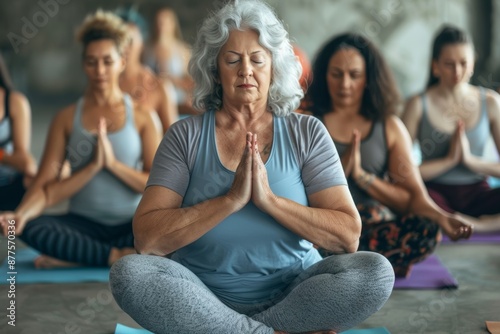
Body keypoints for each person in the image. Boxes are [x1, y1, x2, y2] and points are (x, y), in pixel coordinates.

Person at [109, 1, 394, 334]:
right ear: (215, 70)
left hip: (294, 294)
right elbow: (147, 238)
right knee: (129, 273)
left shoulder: (307, 132)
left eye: (257, 59)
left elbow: (347, 236)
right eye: (232, 60)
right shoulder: (184, 135)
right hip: (201, 297)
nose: (245, 70)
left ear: (274, 66)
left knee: (376, 272)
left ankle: (233, 330)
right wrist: (229, 201)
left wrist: (270, 201)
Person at [0, 10, 159, 269]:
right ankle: (115, 257)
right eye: (91, 62)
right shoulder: (65, 118)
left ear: (122, 60)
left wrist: (112, 165)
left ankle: (77, 257)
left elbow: (157, 185)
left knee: (168, 231)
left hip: (130, 223)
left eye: (107, 61)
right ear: (83, 63)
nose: (99, 70)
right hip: (81, 224)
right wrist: (19, 216)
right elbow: (44, 186)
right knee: (31, 227)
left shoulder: (144, 117)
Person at [307, 33, 474, 277]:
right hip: (327, 228)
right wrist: (340, 171)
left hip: (374, 228)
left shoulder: (389, 126)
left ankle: (350, 265)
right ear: (324, 76)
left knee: (427, 229)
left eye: (354, 75)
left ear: (367, 79)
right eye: (336, 74)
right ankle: (363, 265)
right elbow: (296, 193)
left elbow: (412, 199)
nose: (344, 84)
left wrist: (443, 217)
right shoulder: (307, 123)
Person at [403, 26, 500, 232]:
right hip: (434, 195)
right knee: (408, 199)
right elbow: (400, 173)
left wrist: (470, 161)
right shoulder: (417, 104)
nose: (457, 71)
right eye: (449, 64)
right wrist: (449, 161)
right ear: (435, 66)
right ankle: (449, 220)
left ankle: (479, 226)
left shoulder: (491, 102)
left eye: (463, 63)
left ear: (473, 63)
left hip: (478, 194)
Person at [116, 7, 178, 133]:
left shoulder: (159, 87)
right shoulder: (102, 85)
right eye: (119, 41)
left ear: (141, 43)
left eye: (129, 41)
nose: (125, 48)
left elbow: (176, 144)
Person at [0, 53, 37, 211]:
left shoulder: (15, 102)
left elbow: (26, 164)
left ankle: (11, 229)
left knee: (31, 179)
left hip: (9, 184)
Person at [147, 7, 196, 115]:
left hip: (178, 100)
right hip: (152, 101)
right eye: (158, 22)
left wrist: (171, 80)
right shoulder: (145, 50)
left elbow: (191, 81)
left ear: (173, 24)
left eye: (165, 22)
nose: (161, 25)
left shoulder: (183, 50)